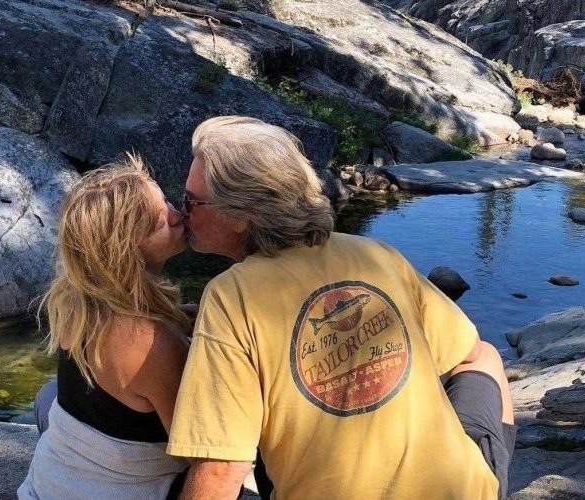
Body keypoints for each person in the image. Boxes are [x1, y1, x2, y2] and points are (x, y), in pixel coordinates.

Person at [166, 116, 516, 499]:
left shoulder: (231, 296)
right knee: (486, 356)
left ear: (239, 215)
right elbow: (467, 351)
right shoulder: (376, 255)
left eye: (191, 201)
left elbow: (222, 470)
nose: (182, 213)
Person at [18, 154, 191, 499]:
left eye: (167, 202)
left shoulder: (73, 303)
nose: (177, 215)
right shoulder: (151, 342)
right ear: (126, 250)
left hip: (47, 487)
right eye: (159, 222)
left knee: (48, 396)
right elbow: (195, 448)